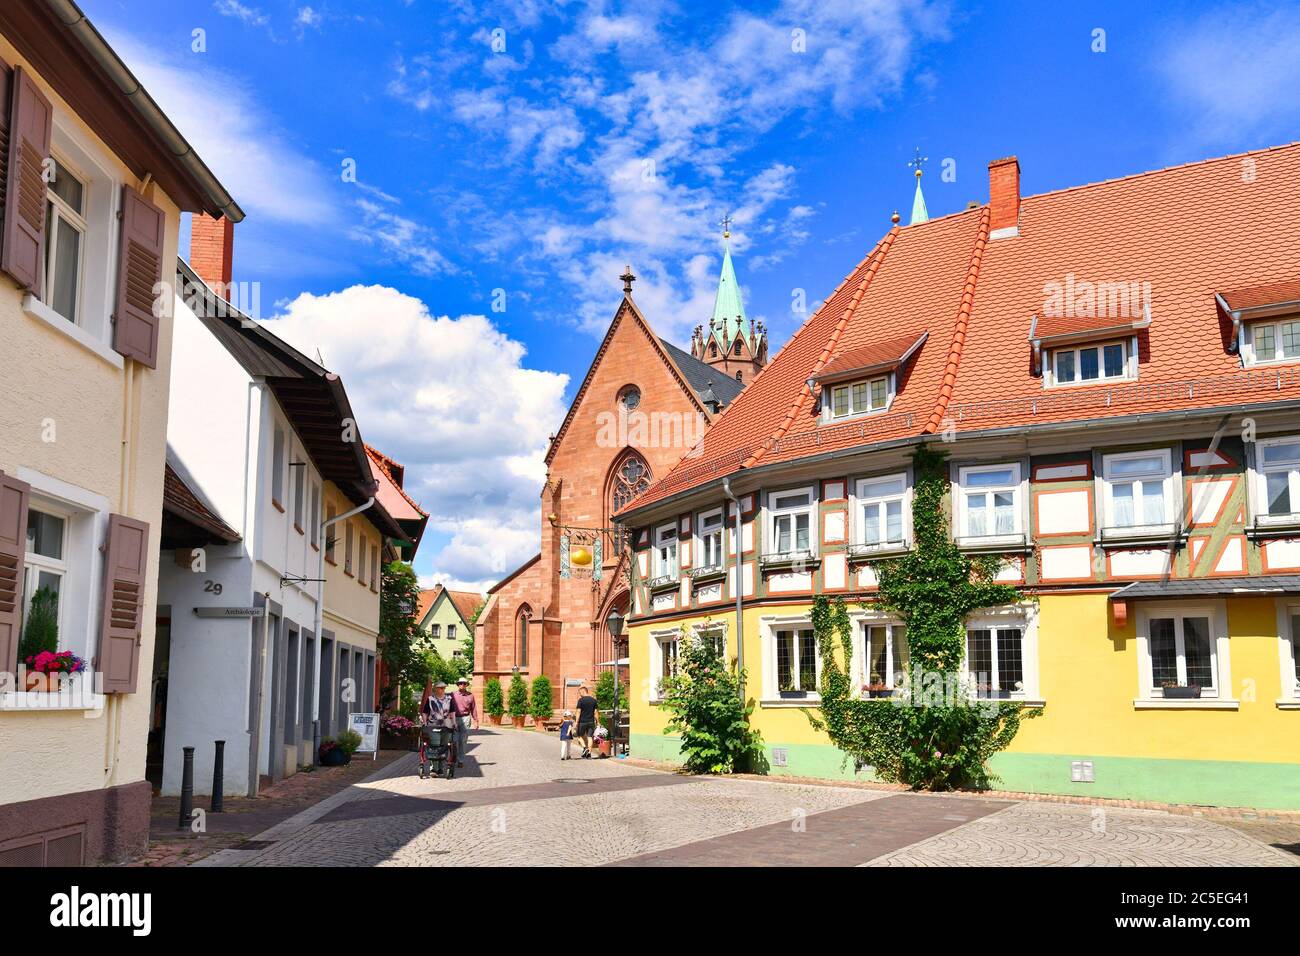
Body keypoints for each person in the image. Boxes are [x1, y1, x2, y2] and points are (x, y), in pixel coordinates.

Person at [421, 681, 458, 773]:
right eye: (441, 688)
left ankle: (440, 768)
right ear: (436, 689)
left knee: (443, 746)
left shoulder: (449, 699)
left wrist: (454, 722)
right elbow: (425, 712)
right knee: (434, 746)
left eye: (444, 688)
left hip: (446, 726)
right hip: (433, 725)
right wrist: (425, 722)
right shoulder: (430, 699)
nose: (443, 690)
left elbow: (452, 712)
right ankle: (434, 769)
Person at [451, 676, 479, 767]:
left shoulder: (470, 695)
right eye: (460, 683)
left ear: (466, 685)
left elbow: (473, 709)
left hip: (466, 718)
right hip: (454, 719)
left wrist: (476, 721)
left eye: (464, 683)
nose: (462, 685)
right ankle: (453, 757)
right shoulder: (452, 695)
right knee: (454, 740)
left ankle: (460, 761)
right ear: (458, 685)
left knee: (462, 741)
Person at [574, 685, 599, 759]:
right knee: (589, 737)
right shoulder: (593, 700)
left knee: (579, 736)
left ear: (583, 691)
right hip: (591, 722)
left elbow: (578, 712)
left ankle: (585, 748)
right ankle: (589, 753)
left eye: (579, 693)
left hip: (582, 722)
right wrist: (598, 722)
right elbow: (596, 712)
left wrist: (576, 722)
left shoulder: (581, 700)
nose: (579, 694)